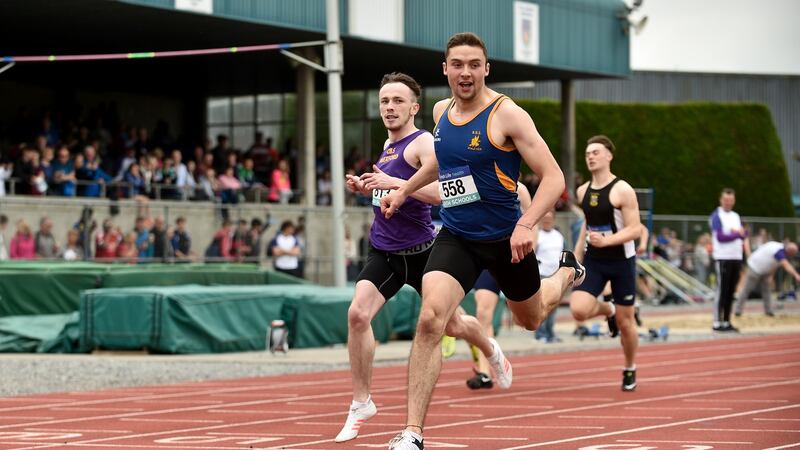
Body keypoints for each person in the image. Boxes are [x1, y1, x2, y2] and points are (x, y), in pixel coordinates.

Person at [380, 34, 585, 449]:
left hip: (506, 238)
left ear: (486, 68)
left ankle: (566, 272)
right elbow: (441, 165)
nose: (466, 72)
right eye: (457, 64)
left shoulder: (508, 115)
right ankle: (412, 433)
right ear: (445, 69)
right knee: (429, 319)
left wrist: (526, 225)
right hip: (456, 234)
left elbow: (555, 178)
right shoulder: (440, 111)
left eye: (474, 64)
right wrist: (403, 189)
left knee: (531, 318)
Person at [337, 72, 515, 444]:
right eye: (384, 101)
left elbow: (451, 192)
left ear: (414, 108)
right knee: (357, 314)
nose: (389, 107)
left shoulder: (423, 145)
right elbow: (387, 195)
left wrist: (397, 185)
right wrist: (366, 186)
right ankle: (361, 402)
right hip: (385, 251)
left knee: (452, 326)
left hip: (423, 252)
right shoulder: (386, 148)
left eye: (397, 101)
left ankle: (490, 348)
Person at [569, 135, 642, 393]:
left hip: (622, 261)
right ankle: (608, 311)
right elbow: (586, 227)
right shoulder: (582, 191)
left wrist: (608, 240)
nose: (590, 156)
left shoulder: (622, 190)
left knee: (626, 323)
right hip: (595, 260)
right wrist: (576, 257)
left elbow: (635, 229)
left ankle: (630, 366)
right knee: (578, 310)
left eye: (596, 152)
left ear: (609, 156)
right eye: (588, 153)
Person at [464, 181, 531, 390]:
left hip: (517, 257)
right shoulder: (480, 182)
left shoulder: (520, 190)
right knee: (483, 311)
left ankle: (566, 273)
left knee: (529, 319)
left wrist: (530, 251)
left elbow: (531, 223)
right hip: (488, 256)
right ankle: (485, 371)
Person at [709, 188, 750, 332]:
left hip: (736, 257)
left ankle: (727, 320)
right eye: (726, 200)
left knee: (731, 291)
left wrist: (741, 234)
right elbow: (720, 237)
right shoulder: (716, 215)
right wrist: (737, 235)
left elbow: (745, 233)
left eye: (731, 200)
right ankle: (717, 322)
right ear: (721, 200)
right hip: (723, 257)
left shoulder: (736, 216)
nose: (728, 202)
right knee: (722, 290)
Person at [734, 241, 800, 318]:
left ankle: (768, 311)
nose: (794, 255)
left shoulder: (779, 249)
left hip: (765, 270)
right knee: (747, 290)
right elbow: (785, 265)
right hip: (755, 267)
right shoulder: (779, 252)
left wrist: (771, 276)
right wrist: (796, 275)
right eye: (794, 253)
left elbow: (774, 264)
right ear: (790, 251)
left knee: (766, 291)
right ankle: (738, 311)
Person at [533, 209, 566, 343]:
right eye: (544, 219)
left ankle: (550, 334)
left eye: (549, 219)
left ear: (553, 220)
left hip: (556, 276)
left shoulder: (559, 236)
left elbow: (564, 253)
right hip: (541, 275)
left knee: (553, 306)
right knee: (542, 306)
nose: (547, 221)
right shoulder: (537, 235)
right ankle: (540, 334)